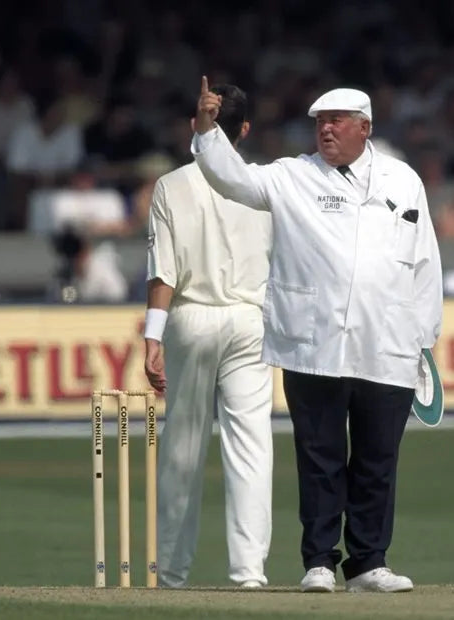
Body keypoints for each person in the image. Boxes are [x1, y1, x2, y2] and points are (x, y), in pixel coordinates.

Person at [192, 78, 443, 593]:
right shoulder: (291, 176)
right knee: (320, 458)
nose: (325, 129)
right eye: (319, 121)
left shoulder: (402, 179)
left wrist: (425, 340)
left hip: (387, 340)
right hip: (314, 343)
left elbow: (426, 262)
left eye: (336, 120)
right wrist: (208, 128)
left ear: (364, 127)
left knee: (377, 460)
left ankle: (370, 562)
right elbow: (231, 179)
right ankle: (320, 563)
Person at [143, 84, 273, 589]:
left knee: (183, 447)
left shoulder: (171, 186)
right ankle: (249, 572)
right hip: (250, 320)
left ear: (194, 127)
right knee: (252, 447)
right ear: (244, 131)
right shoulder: (264, 183)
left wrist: (152, 336)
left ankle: (172, 571)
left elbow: (163, 273)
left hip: (193, 318)